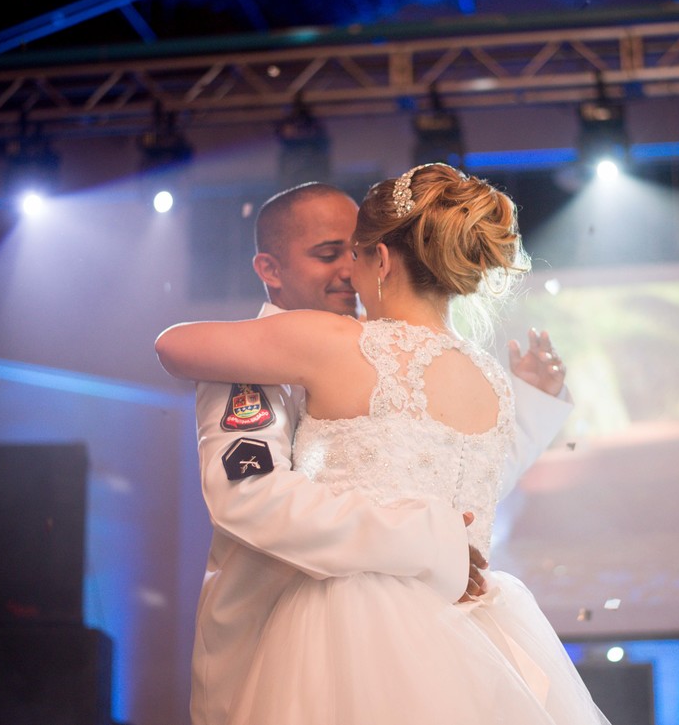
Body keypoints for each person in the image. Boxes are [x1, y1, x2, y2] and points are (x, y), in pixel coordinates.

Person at [158, 165, 608, 724]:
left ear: (385, 257)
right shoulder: (249, 362)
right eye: (328, 253)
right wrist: (429, 538)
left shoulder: (393, 352)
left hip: (409, 634)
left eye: (357, 251)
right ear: (269, 269)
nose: (348, 269)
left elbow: (448, 476)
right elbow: (251, 497)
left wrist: (532, 414)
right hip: (273, 624)